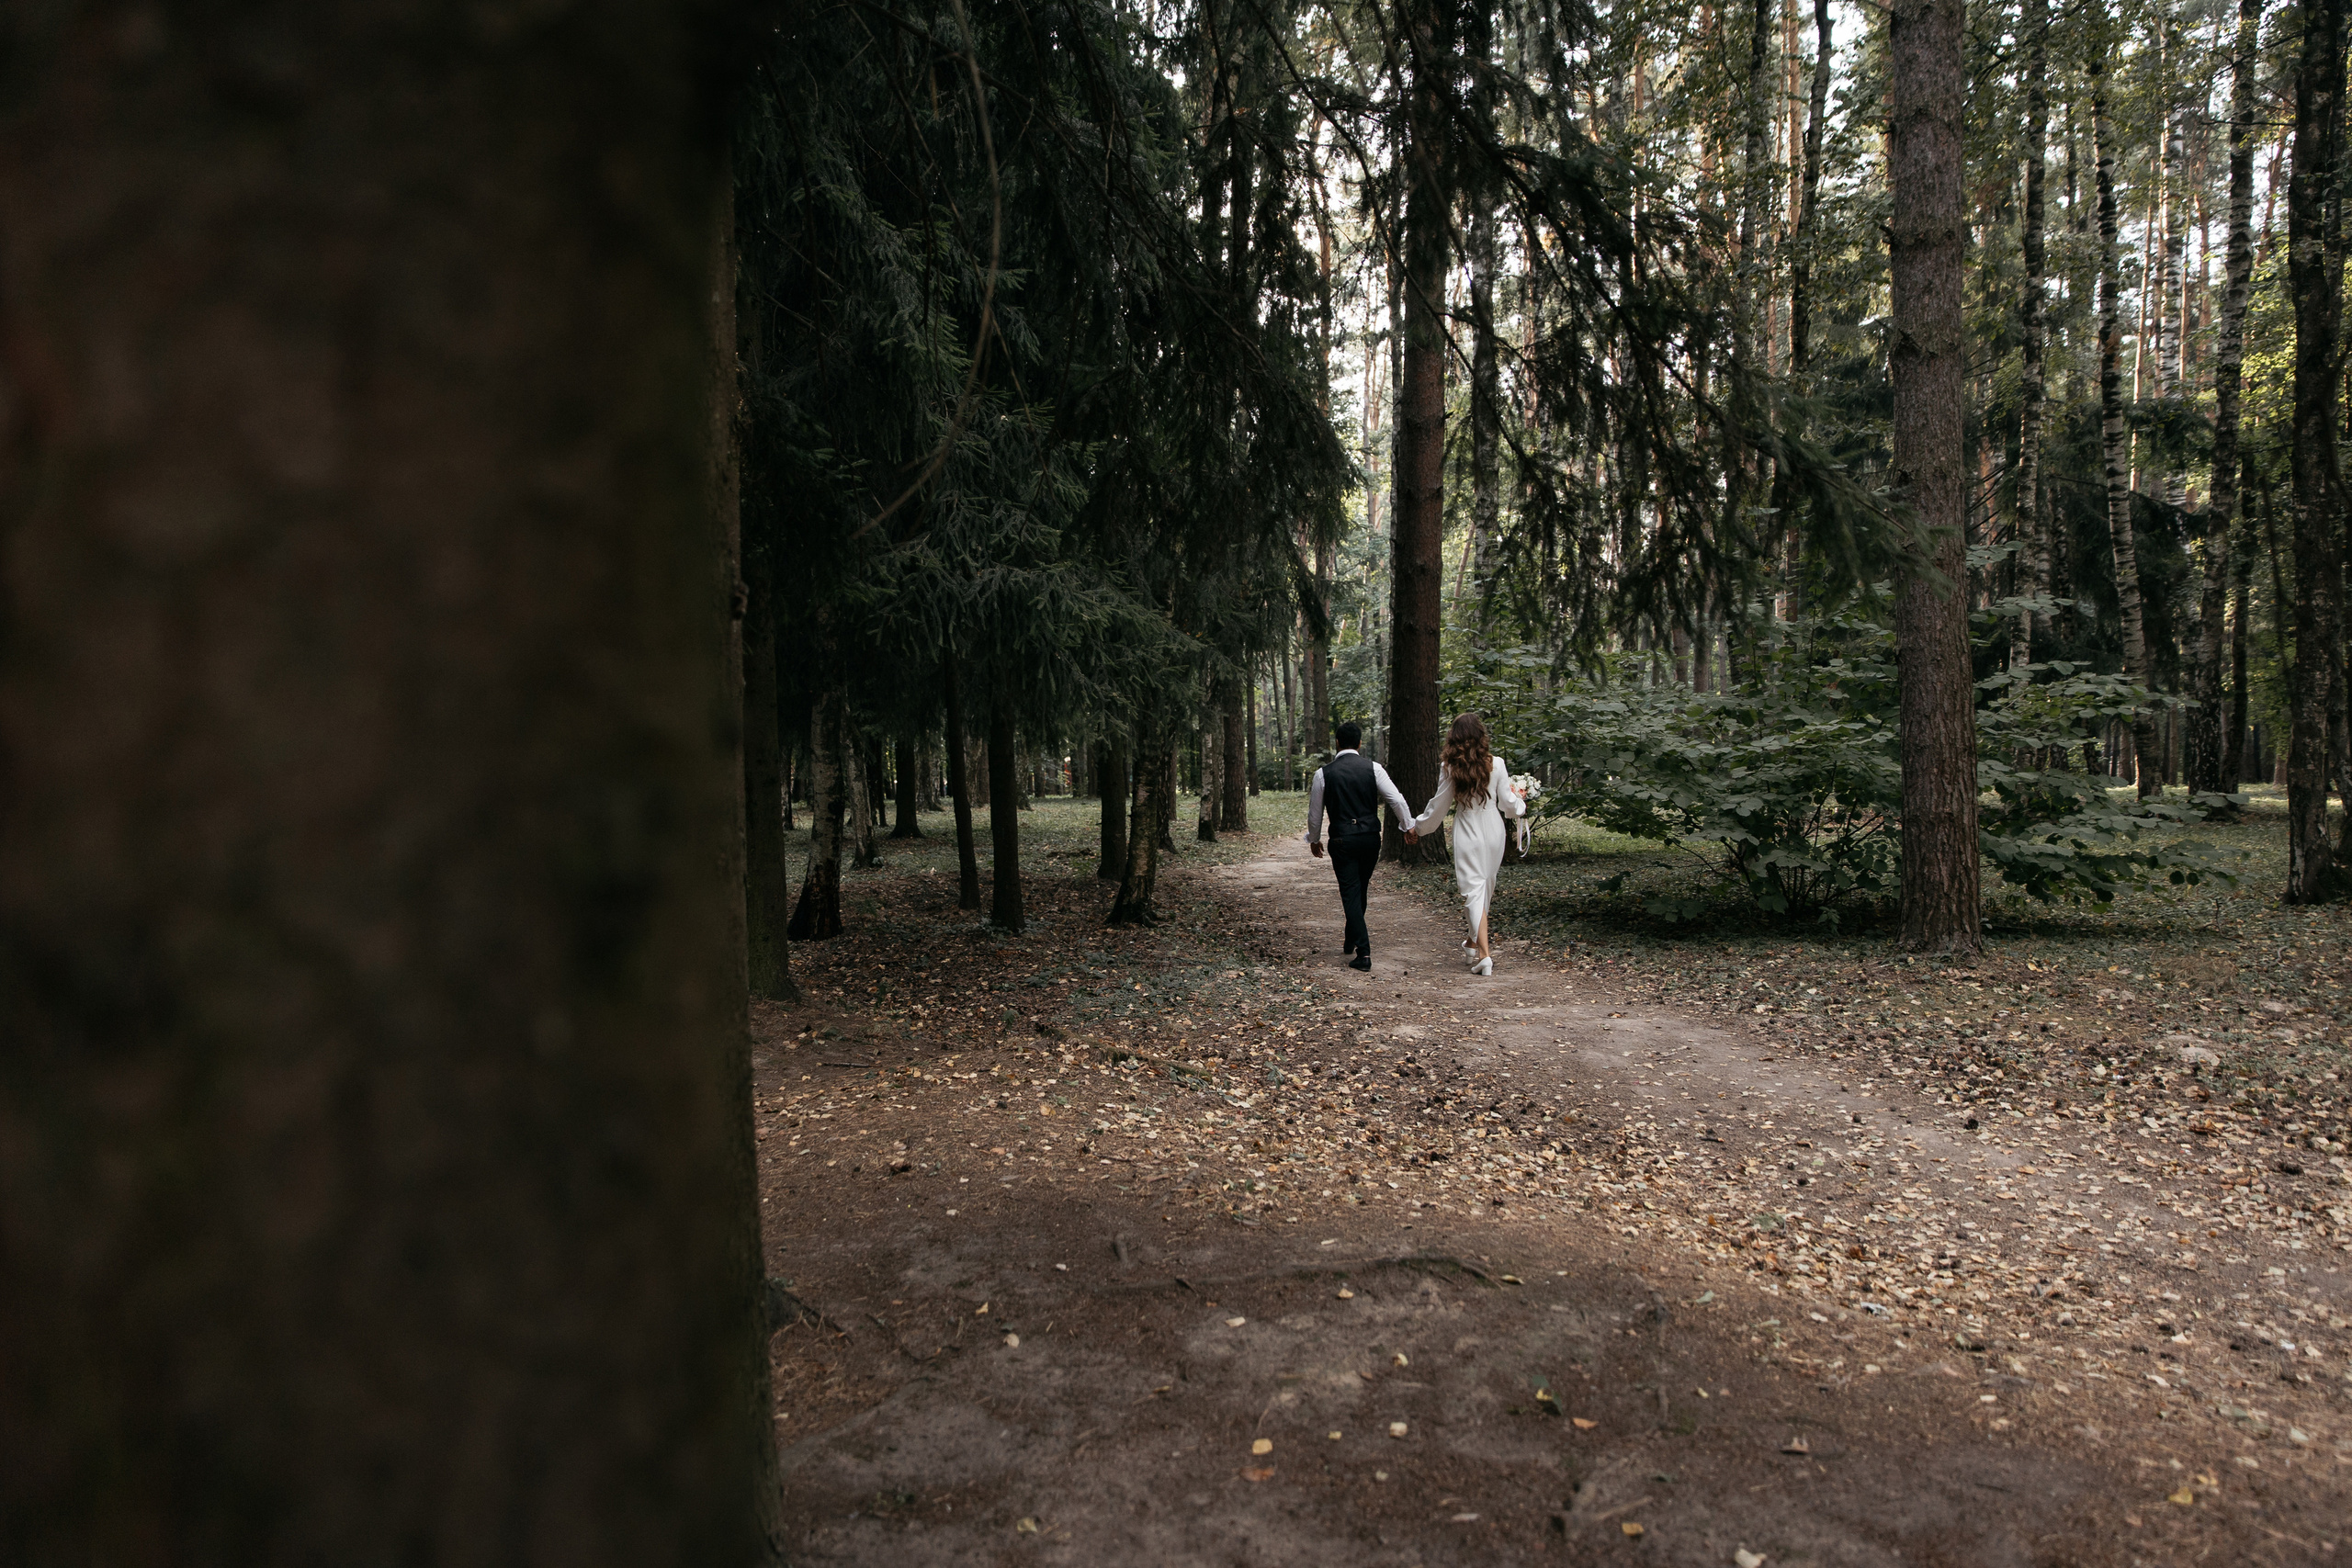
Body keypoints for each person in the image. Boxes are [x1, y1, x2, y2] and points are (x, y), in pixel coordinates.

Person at [1406, 712, 1527, 976]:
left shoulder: (1450, 767)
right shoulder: (1497, 764)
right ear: (1480, 735)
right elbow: (1507, 803)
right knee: (1484, 888)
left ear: (1454, 738)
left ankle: (1484, 956)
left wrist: (1420, 826)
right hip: (1493, 829)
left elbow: (1438, 805)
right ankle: (1473, 943)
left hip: (1468, 829)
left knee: (1475, 891)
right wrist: (1521, 805)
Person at [1303, 721, 1413, 972]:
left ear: (1337, 743)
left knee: (1352, 892)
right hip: (1370, 839)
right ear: (1360, 743)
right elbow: (1395, 799)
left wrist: (1315, 838)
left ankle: (1363, 953)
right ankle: (1351, 937)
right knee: (1359, 889)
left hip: (1342, 840)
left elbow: (1315, 813)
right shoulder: (1373, 769)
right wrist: (1408, 825)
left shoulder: (1324, 774)